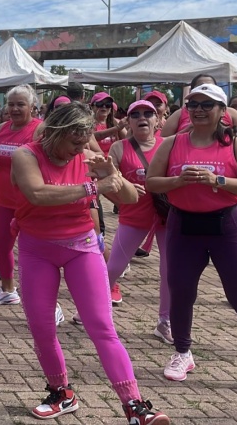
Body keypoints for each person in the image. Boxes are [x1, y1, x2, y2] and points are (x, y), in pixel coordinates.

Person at [12, 102, 170, 423]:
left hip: (81, 247)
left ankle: (135, 406)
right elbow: (37, 194)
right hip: (37, 249)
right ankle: (61, 393)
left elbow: (129, 197)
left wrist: (111, 175)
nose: (80, 149)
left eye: (85, 141)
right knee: (42, 328)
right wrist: (93, 186)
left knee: (102, 327)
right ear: (56, 132)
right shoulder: (26, 155)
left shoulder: (86, 156)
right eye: (75, 142)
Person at [145, 83, 237, 382]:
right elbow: (151, 182)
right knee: (180, 290)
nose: (199, 110)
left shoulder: (235, 144)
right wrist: (177, 181)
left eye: (206, 105)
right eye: (193, 105)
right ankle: (182, 352)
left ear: (222, 110)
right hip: (183, 224)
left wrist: (217, 180)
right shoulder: (172, 143)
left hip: (226, 224)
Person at [105, 100, 171, 342]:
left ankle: (165, 321)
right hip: (133, 216)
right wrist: (123, 197)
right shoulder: (119, 148)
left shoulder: (168, 145)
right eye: (135, 115)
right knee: (114, 267)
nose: (142, 118)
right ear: (128, 122)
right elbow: (107, 181)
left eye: (148, 113)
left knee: (169, 271)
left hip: (166, 216)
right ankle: (90, 308)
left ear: (157, 120)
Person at [0, 84, 41, 306]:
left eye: (20, 104)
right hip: (3, 200)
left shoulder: (39, 129)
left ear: (32, 106)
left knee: (34, 251)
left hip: (30, 202)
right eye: (11, 104)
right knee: (0, 244)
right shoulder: (2, 128)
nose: (14, 109)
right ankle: (7, 289)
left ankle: (43, 298)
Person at [163, 73, 237, 137]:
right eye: (201, 86)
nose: (199, 110)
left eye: (208, 105)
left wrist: (230, 134)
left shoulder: (231, 113)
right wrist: (186, 132)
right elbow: (161, 141)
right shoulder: (179, 114)